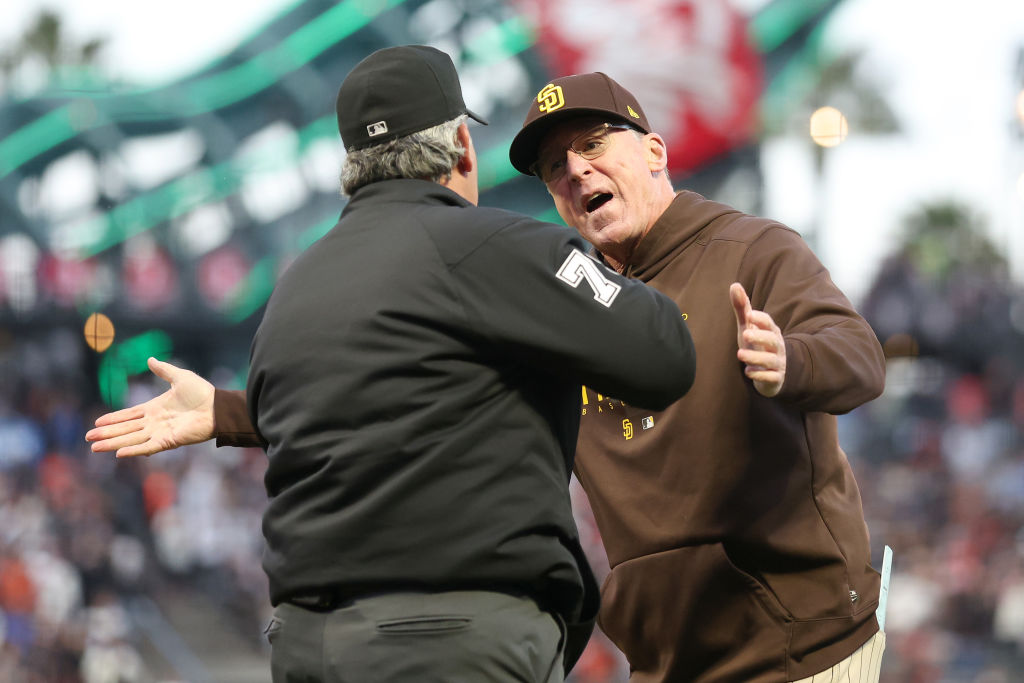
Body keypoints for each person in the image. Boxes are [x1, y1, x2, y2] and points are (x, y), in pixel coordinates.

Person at [87, 48, 698, 682]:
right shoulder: (498, 247)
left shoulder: (297, 287)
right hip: (453, 642)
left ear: (354, 164)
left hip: (308, 645)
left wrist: (225, 412)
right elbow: (665, 355)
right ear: (462, 144)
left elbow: (378, 397)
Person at [504, 72, 888, 683]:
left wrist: (789, 360)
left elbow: (862, 359)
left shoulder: (753, 249)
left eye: (594, 145)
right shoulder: (566, 314)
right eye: (554, 165)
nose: (574, 170)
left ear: (655, 152)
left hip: (800, 650)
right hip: (666, 663)